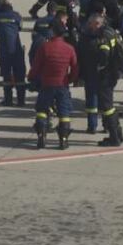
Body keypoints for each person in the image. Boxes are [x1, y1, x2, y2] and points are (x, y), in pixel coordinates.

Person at [29, 19, 79, 150]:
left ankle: (41, 136)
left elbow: (36, 67)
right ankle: (63, 140)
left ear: (52, 31)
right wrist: (70, 79)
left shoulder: (44, 47)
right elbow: (75, 68)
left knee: (42, 110)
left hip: (46, 84)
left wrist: (31, 78)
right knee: (64, 112)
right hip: (62, 85)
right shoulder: (69, 49)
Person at [81, 14, 123, 147]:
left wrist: (98, 66)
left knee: (107, 108)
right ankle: (118, 133)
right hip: (111, 75)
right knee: (109, 106)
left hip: (104, 77)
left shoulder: (103, 37)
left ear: (98, 24)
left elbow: (104, 55)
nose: (91, 26)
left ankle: (114, 138)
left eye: (94, 24)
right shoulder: (110, 33)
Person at [0, 0, 26, 106]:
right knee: (20, 75)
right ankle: (21, 100)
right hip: (16, 49)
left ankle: (8, 100)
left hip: (3, 50)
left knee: (6, 75)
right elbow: (20, 27)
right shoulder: (17, 15)